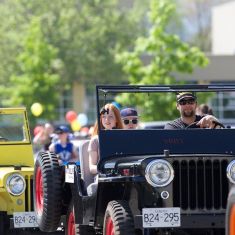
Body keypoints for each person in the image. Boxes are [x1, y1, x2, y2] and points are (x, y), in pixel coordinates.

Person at [88, 103, 123, 175]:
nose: (107, 120)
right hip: (103, 177)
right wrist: (107, 169)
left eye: (111, 117)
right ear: (100, 119)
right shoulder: (96, 140)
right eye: (104, 117)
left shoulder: (124, 138)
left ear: (116, 119)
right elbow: (92, 167)